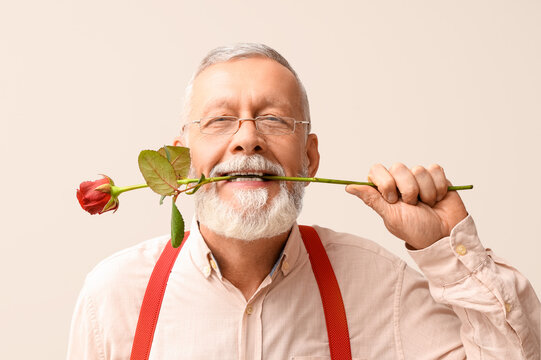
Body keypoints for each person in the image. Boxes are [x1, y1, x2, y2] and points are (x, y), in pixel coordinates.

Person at [67, 43, 540, 359]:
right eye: (220, 120)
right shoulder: (114, 298)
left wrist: (446, 251)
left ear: (310, 157)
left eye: (274, 120)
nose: (247, 140)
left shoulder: (381, 288)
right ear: (181, 160)